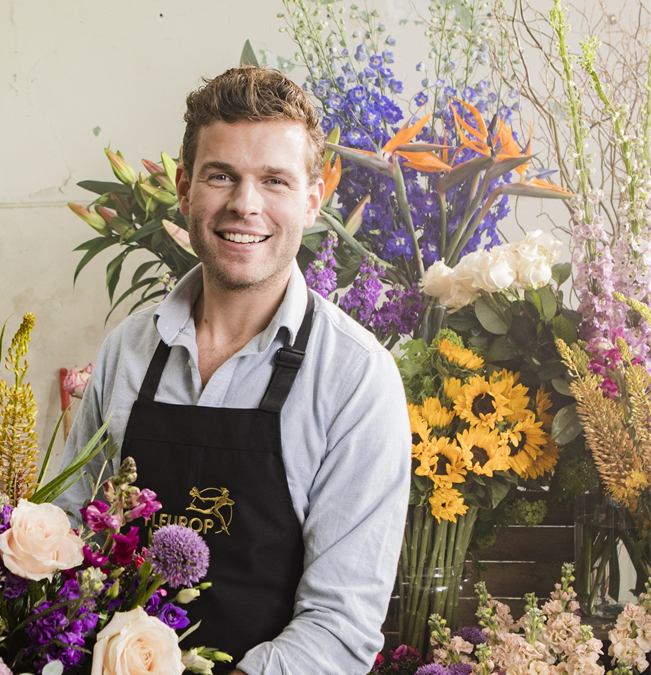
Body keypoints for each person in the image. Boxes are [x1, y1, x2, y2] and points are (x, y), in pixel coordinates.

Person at [57, 66, 410, 675]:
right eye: (222, 176)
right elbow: (70, 533)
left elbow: (340, 625)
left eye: (274, 180)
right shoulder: (128, 349)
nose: (245, 205)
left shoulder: (356, 379)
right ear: (184, 186)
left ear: (312, 200)